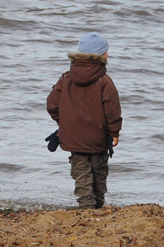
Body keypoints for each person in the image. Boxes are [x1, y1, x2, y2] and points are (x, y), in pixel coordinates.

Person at [46, 32, 122, 209]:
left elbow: (51, 105)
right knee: (99, 172)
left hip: (73, 137)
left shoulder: (66, 78)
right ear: (100, 56)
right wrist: (114, 132)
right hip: (98, 137)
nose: (108, 55)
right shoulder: (104, 80)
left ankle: (86, 206)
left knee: (81, 173)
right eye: (106, 52)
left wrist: (64, 123)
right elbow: (112, 110)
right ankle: (97, 205)